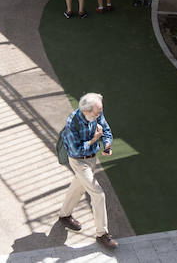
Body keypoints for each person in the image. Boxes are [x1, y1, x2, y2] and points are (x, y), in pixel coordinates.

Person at [58, 92, 117, 251]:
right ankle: (102, 234)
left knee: (78, 186)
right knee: (98, 194)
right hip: (78, 161)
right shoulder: (72, 122)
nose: (99, 115)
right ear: (86, 111)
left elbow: (104, 127)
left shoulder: (96, 111)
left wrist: (107, 144)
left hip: (91, 158)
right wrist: (94, 139)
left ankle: (64, 215)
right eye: (96, 113)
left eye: (100, 111)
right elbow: (75, 150)